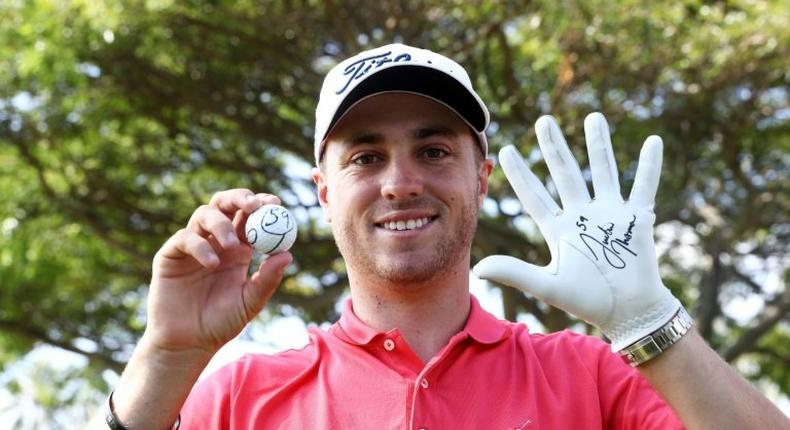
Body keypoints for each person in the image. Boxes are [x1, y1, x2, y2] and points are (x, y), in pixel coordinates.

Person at [98, 44, 788, 429]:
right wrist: (166, 353)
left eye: (433, 151)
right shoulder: (241, 399)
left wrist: (651, 322)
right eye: (365, 156)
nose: (400, 182)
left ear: (481, 177)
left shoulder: (592, 377)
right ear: (323, 190)